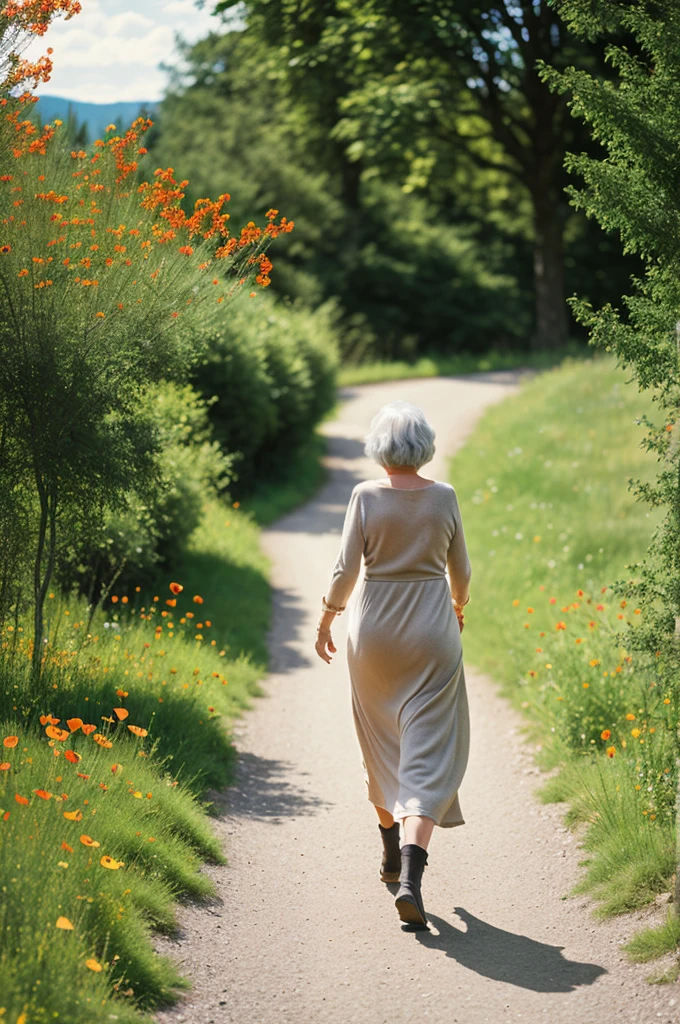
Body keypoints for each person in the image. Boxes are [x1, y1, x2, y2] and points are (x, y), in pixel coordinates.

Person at [315, 400, 472, 929]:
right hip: (432, 632)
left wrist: (326, 620)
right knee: (426, 756)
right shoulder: (444, 497)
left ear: (380, 450)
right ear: (425, 447)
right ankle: (410, 878)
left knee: (382, 743)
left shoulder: (363, 496)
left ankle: (388, 849)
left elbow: (344, 571)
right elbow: (463, 574)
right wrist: (455, 607)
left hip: (373, 633)